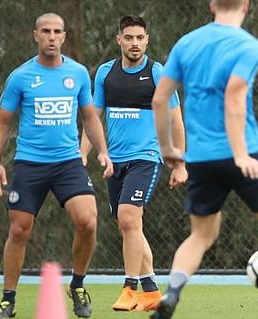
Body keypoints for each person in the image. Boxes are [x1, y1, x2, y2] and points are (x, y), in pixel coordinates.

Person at [149, 1, 258, 319]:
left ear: (212, 5)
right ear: (247, 6)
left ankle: (171, 294)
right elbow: (234, 97)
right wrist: (239, 154)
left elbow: (159, 98)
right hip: (242, 152)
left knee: (201, 234)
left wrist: (167, 148)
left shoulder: (187, 43)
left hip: (200, 158)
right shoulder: (248, 46)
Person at [0, 13, 113, 318]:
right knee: (19, 230)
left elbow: (89, 116)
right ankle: (8, 300)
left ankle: (78, 285)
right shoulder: (20, 77)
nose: (52, 37)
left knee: (88, 221)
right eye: (46, 31)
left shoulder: (79, 73)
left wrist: (103, 152)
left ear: (64, 37)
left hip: (68, 163)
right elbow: (2, 122)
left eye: (57, 31)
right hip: (29, 164)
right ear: (35, 35)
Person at [80, 15, 187, 312]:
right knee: (129, 226)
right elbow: (93, 117)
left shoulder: (157, 73)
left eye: (140, 38)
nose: (135, 43)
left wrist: (179, 162)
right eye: (129, 38)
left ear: (147, 39)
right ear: (119, 40)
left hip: (146, 158)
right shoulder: (104, 73)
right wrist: (83, 152)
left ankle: (130, 287)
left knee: (128, 219)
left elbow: (176, 119)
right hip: (115, 161)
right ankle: (152, 291)